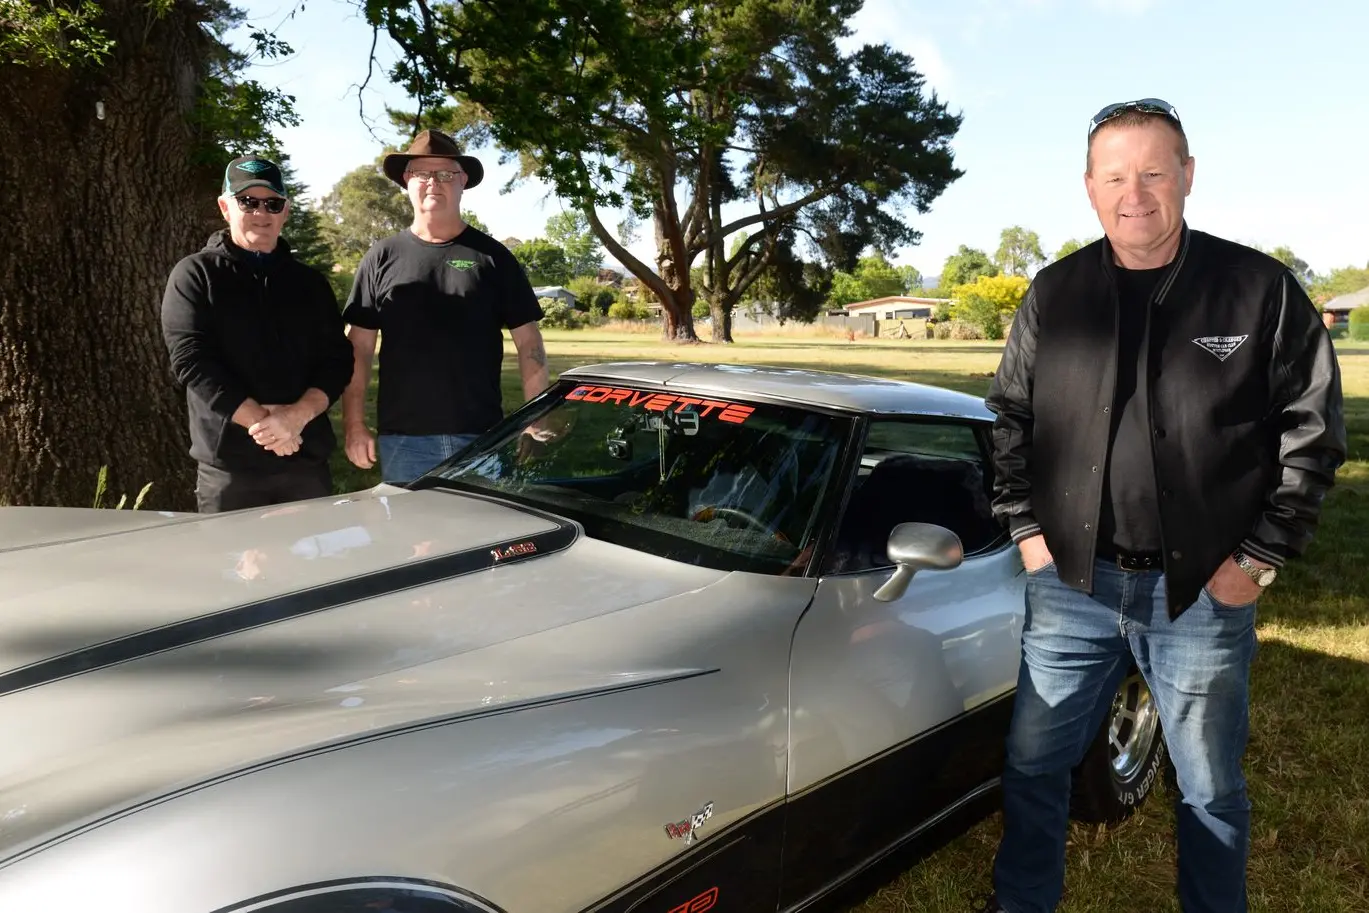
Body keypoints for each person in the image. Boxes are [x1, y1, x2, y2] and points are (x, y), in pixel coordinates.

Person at [977, 99, 1345, 913]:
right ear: (1088, 186)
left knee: (1208, 785)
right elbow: (1010, 418)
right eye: (1114, 175)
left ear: (1186, 174)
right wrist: (1029, 535)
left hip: (1200, 595)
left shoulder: (1257, 289)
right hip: (1069, 586)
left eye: (1151, 171)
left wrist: (1256, 561)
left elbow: (1311, 433)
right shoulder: (1055, 291)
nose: (1132, 192)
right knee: (1033, 766)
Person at [340, 129, 549, 483]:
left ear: (462, 181)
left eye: (446, 173)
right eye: (422, 173)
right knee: (412, 537)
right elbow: (358, 349)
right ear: (407, 180)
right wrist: (354, 424)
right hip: (404, 440)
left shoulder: (494, 258)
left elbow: (529, 342)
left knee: (479, 536)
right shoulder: (380, 258)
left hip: (481, 438)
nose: (433, 182)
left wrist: (535, 417)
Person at [161, 155, 355, 513]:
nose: (260, 212)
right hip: (230, 472)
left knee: (314, 571)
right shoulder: (194, 276)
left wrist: (294, 418)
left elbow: (337, 360)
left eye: (272, 203)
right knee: (233, 571)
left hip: (304, 464)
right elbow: (192, 361)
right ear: (225, 206)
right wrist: (267, 426)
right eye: (247, 201)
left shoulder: (310, 284)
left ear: (285, 211)